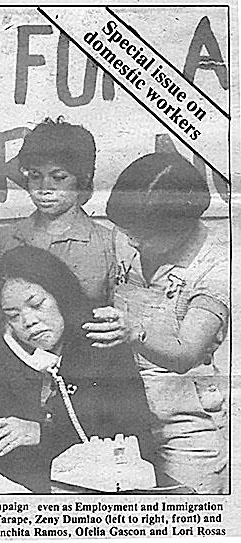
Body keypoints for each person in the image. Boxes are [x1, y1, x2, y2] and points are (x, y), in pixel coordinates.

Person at [0, 247, 155, 493]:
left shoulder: (103, 344)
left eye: (37, 304)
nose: (29, 321)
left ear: (60, 296)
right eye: (13, 315)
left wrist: (44, 433)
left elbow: (137, 437)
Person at [83, 153, 228, 493]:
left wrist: (135, 332)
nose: (131, 242)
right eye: (126, 232)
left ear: (180, 226)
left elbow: (187, 353)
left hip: (186, 426)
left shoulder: (216, 266)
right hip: (120, 413)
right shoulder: (127, 236)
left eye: (142, 235)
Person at [0, 118, 117, 305]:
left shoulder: (108, 244)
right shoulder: (4, 238)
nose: (44, 187)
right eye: (35, 176)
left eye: (58, 177)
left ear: (83, 179)